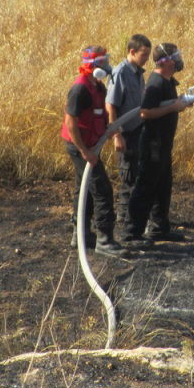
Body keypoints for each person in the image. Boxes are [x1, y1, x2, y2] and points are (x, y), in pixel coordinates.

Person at [122, 42, 194, 248]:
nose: (180, 59)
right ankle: (131, 234)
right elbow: (145, 112)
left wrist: (181, 103)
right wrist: (174, 107)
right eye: (177, 56)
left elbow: (170, 106)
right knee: (145, 186)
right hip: (153, 143)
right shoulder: (155, 84)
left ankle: (159, 228)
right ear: (167, 61)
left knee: (163, 186)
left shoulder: (168, 81)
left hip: (164, 143)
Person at [61, 46, 127, 258]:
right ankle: (104, 239)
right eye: (102, 62)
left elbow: (102, 112)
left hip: (90, 144)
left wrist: (112, 128)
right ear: (91, 66)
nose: (107, 66)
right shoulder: (79, 90)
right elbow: (71, 123)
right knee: (102, 189)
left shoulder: (98, 86)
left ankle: (80, 234)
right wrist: (85, 151)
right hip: (79, 145)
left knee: (84, 188)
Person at [105, 34, 152, 228]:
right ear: (132, 52)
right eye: (143, 54)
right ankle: (125, 220)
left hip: (138, 130)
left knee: (137, 175)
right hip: (126, 132)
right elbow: (111, 106)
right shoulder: (121, 72)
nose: (146, 59)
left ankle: (133, 217)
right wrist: (117, 135)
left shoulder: (138, 72)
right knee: (128, 177)